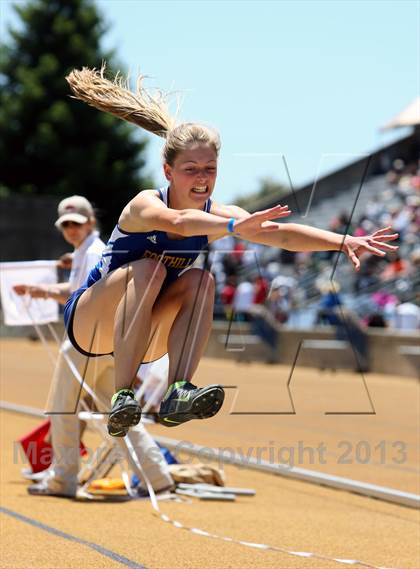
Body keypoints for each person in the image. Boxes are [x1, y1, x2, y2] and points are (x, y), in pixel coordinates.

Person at [64, 66, 399, 438]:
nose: (202, 178)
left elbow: (280, 235)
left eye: (210, 168)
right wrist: (231, 228)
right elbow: (177, 223)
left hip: (144, 331)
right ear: (168, 171)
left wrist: (341, 241)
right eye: (190, 169)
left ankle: (177, 392)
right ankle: (123, 396)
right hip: (91, 320)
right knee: (149, 270)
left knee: (201, 281)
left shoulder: (219, 214)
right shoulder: (145, 204)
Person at [14, 196, 173, 496]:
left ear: (90, 221)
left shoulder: (94, 252)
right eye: (66, 225)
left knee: (63, 409)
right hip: (105, 344)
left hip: (85, 343)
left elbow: (80, 297)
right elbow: (78, 290)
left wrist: (43, 291)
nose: (71, 229)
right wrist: (43, 290)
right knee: (118, 414)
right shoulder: (88, 252)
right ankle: (157, 477)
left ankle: (63, 478)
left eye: (76, 223)